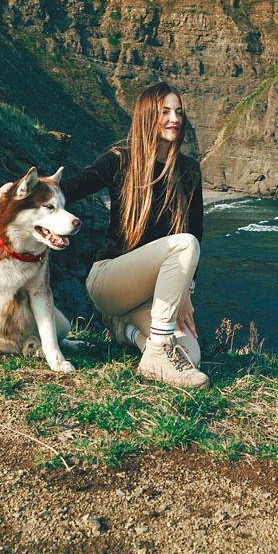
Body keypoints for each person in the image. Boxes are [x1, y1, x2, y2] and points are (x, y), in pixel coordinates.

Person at [61, 81, 209, 388]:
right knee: (185, 244)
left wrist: (185, 292)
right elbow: (68, 189)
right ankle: (155, 352)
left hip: (148, 296)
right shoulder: (120, 160)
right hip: (110, 280)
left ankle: (125, 331)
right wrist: (16, 194)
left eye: (179, 112)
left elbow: (197, 230)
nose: (175, 119)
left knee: (189, 355)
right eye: (165, 111)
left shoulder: (189, 170)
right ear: (147, 116)